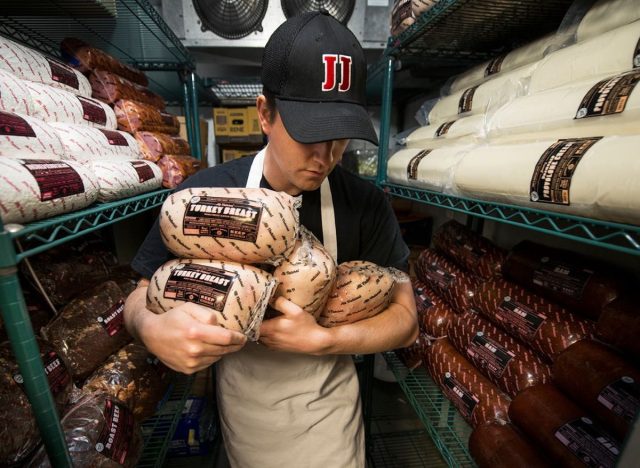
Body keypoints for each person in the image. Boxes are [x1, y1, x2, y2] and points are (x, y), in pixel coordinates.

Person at [124, 11, 418, 467]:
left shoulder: (364, 203)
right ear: (265, 113)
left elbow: (406, 320)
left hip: (329, 422)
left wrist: (324, 341)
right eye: (309, 136)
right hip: (246, 415)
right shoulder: (203, 198)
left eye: (339, 137)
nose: (325, 157)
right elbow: (138, 297)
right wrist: (151, 328)